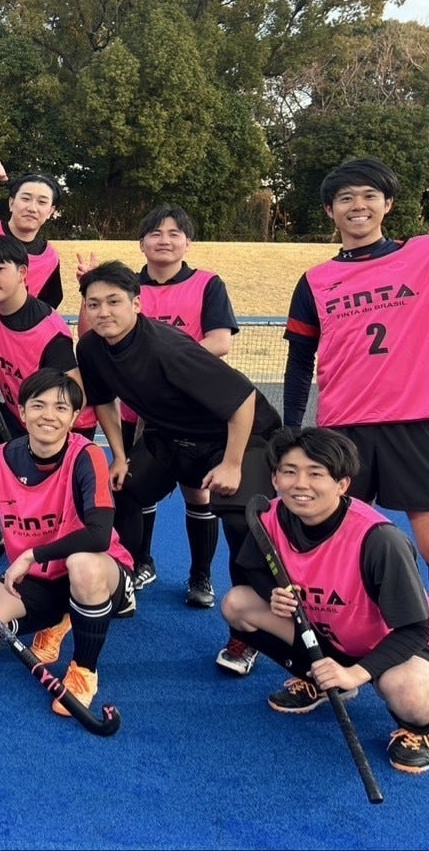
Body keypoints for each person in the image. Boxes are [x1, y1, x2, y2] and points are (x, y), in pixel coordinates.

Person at [76, 261, 281, 675]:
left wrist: (232, 464)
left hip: (239, 435)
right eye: (93, 304)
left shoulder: (168, 348)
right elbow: (103, 401)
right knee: (121, 490)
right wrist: (119, 456)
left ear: (136, 304)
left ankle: (249, 632)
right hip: (171, 435)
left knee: (243, 523)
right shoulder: (92, 348)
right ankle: (122, 581)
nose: (103, 312)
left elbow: (243, 400)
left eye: (114, 302)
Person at [221, 426, 429, 774]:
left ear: (342, 484)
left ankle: (423, 729)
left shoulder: (380, 540)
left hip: (400, 646)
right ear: (275, 479)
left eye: (315, 473)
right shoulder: (272, 516)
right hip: (331, 634)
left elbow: (415, 630)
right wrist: (272, 594)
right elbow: (253, 568)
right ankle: (317, 680)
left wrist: (355, 674)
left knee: (406, 690)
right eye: (289, 472)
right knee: (238, 604)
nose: (300, 484)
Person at [283, 157, 429, 601]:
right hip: (343, 427)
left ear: (389, 204)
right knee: (342, 541)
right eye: (346, 198)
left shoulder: (424, 254)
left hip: (415, 420)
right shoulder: (315, 281)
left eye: (370, 196)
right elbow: (299, 361)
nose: (358, 206)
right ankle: (350, 631)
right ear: (330, 210)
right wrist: (291, 427)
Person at [0, 368, 134, 715]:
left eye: (61, 408)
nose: (48, 415)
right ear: (22, 413)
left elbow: (99, 535)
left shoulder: (87, 456)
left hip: (99, 570)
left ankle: (84, 670)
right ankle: (59, 618)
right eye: (38, 405)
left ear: (74, 418)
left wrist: (31, 555)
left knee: (82, 565)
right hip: (40, 579)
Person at [0, 233, 96, 561]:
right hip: (20, 415)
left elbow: (74, 395)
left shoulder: (47, 330)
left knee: (52, 501)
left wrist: (44, 438)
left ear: (23, 272)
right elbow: (13, 365)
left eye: (0, 269)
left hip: (64, 427)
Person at [123, 205, 239, 610]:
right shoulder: (127, 286)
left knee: (198, 493)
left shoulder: (208, 284)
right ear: (141, 243)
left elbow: (220, 341)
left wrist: (165, 371)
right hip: (136, 411)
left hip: (191, 412)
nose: (165, 240)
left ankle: (200, 575)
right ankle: (141, 562)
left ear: (188, 243)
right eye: (155, 233)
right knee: (136, 490)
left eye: (174, 233)